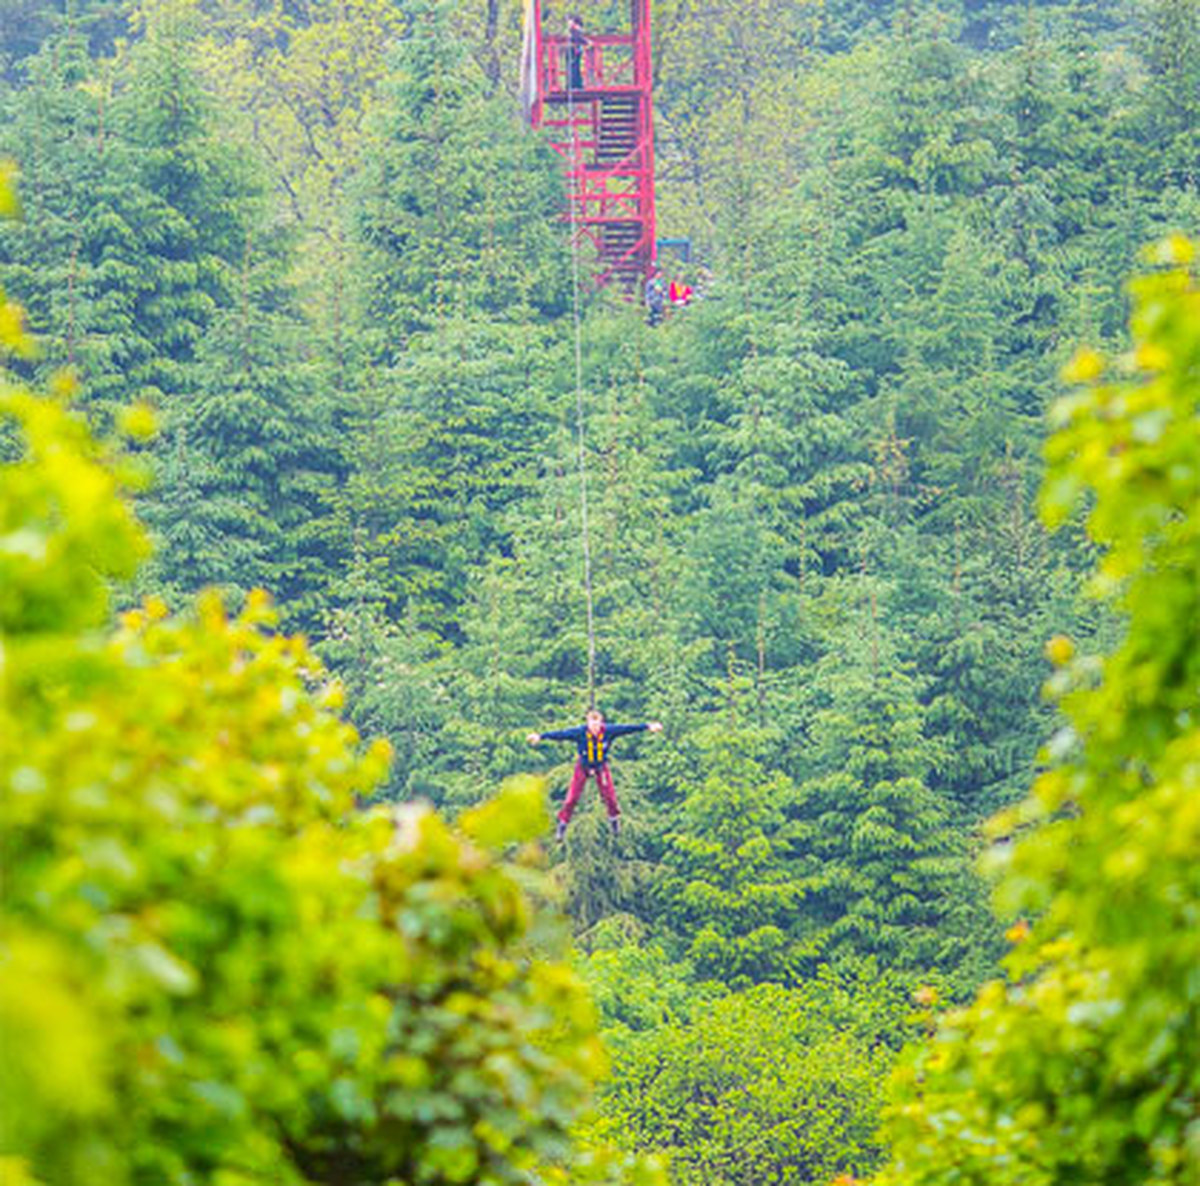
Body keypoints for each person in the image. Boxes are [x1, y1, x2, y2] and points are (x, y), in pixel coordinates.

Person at [528, 709, 663, 840]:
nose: (594, 728)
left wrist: (648, 726)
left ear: (601, 723)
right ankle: (562, 825)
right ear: (587, 723)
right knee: (572, 798)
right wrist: (541, 736)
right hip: (583, 767)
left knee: (610, 797)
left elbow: (627, 728)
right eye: (592, 725)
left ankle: (614, 820)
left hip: (600, 767)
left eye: (597, 725)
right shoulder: (580, 733)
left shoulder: (608, 731)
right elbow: (561, 734)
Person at [567, 14, 589, 90]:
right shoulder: (575, 29)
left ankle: (573, 85)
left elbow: (578, 38)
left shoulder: (574, 29)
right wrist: (587, 42)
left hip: (573, 49)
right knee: (574, 67)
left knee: (573, 67)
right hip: (574, 49)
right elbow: (578, 38)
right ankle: (575, 85)